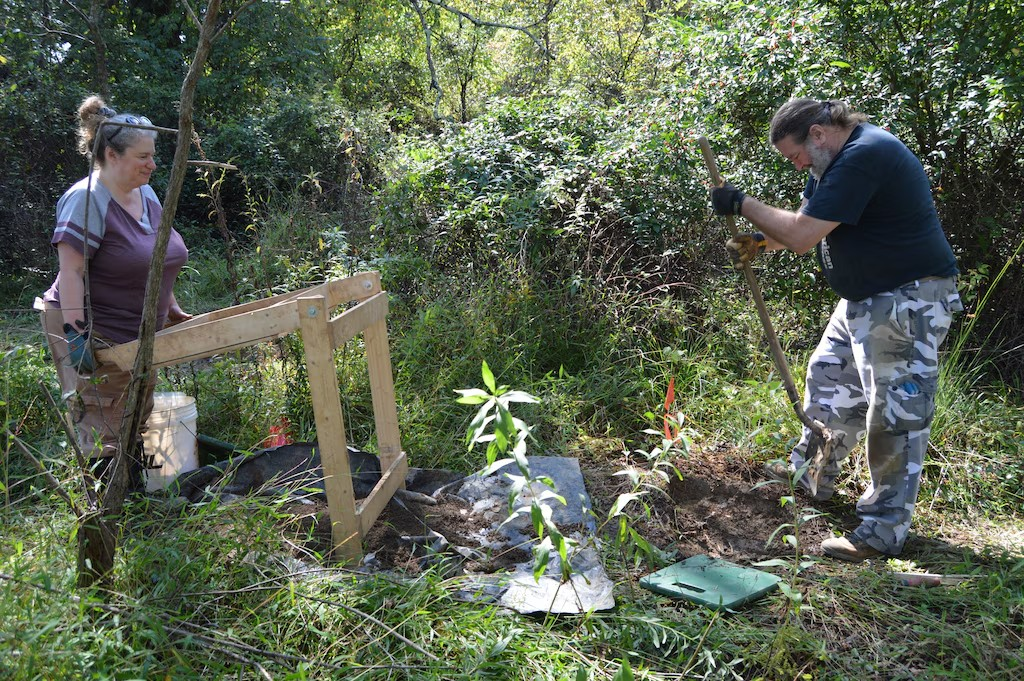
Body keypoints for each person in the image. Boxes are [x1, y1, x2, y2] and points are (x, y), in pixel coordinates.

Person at [710, 97, 963, 562]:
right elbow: (806, 238)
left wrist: (742, 203)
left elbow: (804, 234)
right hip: (865, 300)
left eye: (795, 154)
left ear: (818, 133)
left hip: (907, 300)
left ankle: (883, 531)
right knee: (828, 378)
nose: (797, 163)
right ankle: (807, 478)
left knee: (894, 416)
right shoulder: (829, 166)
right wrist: (760, 241)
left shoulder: (865, 154)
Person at [36, 95, 191, 488]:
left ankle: (137, 504)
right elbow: (71, 271)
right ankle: (110, 521)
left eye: (153, 155)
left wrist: (169, 305)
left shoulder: (148, 194)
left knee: (138, 410)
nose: (152, 164)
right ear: (111, 154)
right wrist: (76, 333)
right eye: (143, 156)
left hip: (139, 329)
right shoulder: (87, 199)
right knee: (105, 418)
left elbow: (159, 258)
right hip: (94, 327)